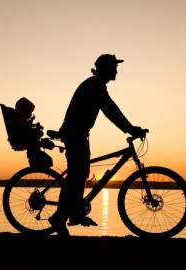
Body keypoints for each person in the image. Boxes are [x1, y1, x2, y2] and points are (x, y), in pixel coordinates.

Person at [49, 54, 147, 236]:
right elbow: (110, 109)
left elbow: (110, 109)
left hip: (79, 134)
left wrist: (129, 128)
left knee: (79, 175)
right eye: (114, 67)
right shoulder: (95, 85)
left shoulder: (96, 84)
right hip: (75, 133)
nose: (116, 71)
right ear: (105, 68)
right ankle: (59, 218)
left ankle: (72, 213)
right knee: (76, 176)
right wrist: (130, 129)